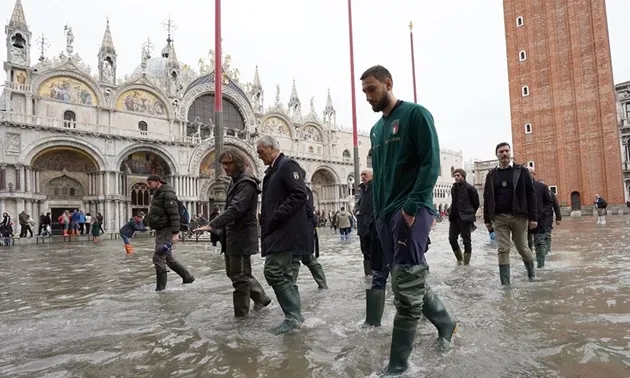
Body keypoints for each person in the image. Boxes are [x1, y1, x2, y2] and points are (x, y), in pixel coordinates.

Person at [361, 65, 458, 374]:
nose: (368, 96)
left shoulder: (416, 115)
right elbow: (378, 180)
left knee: (406, 291)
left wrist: (412, 208)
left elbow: (431, 165)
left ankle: (397, 366)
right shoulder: (376, 130)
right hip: (385, 216)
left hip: (411, 212)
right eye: (364, 92)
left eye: (372, 89)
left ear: (388, 84)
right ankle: (445, 322)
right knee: (406, 279)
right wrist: (378, 215)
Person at [194, 148, 272, 317]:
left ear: (238, 162)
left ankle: (241, 317)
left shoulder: (246, 182)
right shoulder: (236, 180)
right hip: (233, 235)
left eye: (229, 163)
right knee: (234, 273)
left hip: (242, 236)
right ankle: (262, 298)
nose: (226, 167)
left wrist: (212, 225)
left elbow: (236, 208)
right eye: (223, 164)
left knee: (240, 278)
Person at [256, 135, 309, 334]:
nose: (259, 157)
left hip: (286, 229)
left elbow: (299, 194)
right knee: (285, 273)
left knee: (273, 271)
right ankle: (295, 316)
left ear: (271, 149)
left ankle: (293, 317)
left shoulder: (287, 165)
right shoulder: (273, 170)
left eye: (261, 152)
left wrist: (276, 216)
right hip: (279, 228)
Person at [483, 142, 537, 285]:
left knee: (522, 248)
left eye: (506, 151)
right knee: (503, 249)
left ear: (510, 153)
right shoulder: (491, 174)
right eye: (501, 152)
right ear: (497, 155)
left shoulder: (521, 171)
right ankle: (505, 285)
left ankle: (532, 275)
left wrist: (533, 217)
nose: (504, 154)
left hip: (519, 216)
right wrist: (487, 219)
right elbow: (487, 198)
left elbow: (531, 194)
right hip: (499, 218)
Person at [145, 175, 195, 291]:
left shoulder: (167, 194)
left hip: (166, 229)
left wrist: (175, 233)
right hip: (161, 229)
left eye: (150, 183)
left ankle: (160, 290)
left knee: (158, 257)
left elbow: (174, 214)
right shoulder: (159, 194)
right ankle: (187, 277)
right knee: (168, 257)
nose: (148, 186)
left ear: (158, 182)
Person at [290, 165, 328, 290]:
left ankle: (291, 289)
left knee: (297, 259)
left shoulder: (302, 191)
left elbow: (306, 211)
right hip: (302, 230)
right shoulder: (303, 190)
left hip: (302, 230)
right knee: (306, 258)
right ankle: (322, 285)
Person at [448, 168, 480, 266]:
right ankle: (460, 259)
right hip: (454, 218)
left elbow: (476, 203)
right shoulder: (453, 188)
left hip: (466, 218)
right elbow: (453, 202)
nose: (456, 177)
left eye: (458, 175)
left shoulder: (470, 188)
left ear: (463, 176)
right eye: (455, 176)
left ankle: (466, 264)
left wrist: (469, 213)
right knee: (452, 239)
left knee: (466, 241)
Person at [526, 167, 554, 268]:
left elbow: (549, 202)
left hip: (539, 220)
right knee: (526, 245)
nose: (527, 175)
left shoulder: (542, 187)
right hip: (524, 221)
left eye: (529, 173)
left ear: (534, 174)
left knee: (540, 243)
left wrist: (542, 212)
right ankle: (529, 267)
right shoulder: (520, 187)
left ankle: (540, 266)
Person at [356, 168, 374, 276]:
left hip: (373, 224)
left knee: (375, 250)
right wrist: (356, 210)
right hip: (362, 225)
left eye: (365, 174)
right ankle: (368, 275)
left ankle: (377, 274)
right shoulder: (362, 189)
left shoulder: (376, 188)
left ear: (372, 176)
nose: (362, 176)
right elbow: (359, 203)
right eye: (361, 174)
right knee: (365, 250)